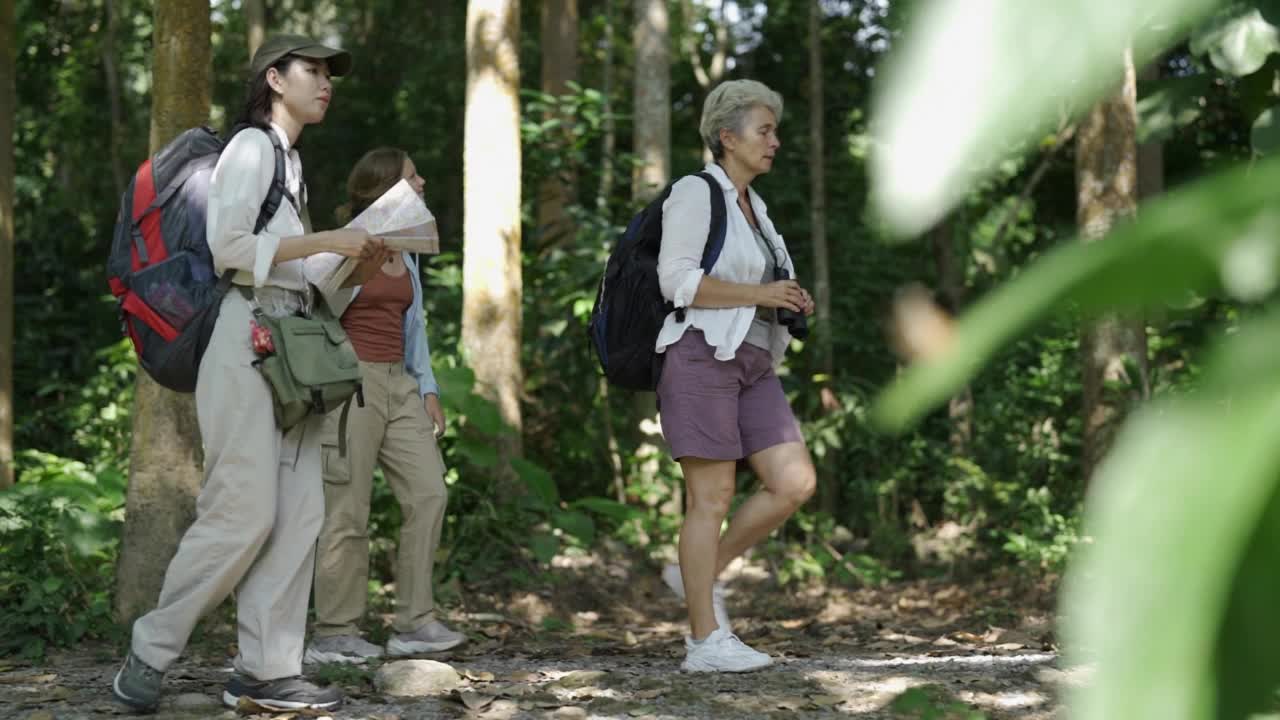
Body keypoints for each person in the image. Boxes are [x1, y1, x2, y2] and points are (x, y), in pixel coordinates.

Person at [111, 35, 385, 713]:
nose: (326, 83)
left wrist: (356, 263)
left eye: (330, 74)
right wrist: (327, 239)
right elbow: (229, 246)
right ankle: (149, 652)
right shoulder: (252, 147)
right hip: (243, 340)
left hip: (293, 344)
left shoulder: (291, 165)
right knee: (243, 509)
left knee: (299, 514)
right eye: (313, 71)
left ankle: (266, 670)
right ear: (274, 78)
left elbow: (296, 272)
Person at [654, 79, 817, 673]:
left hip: (753, 360)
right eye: (764, 130)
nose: (774, 142)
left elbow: (757, 287)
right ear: (727, 136)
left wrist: (787, 300)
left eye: (775, 130)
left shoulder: (754, 206)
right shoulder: (697, 193)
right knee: (711, 497)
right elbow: (676, 281)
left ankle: (693, 574)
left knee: (794, 482)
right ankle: (704, 642)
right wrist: (760, 291)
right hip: (700, 354)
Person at [301, 148, 465, 664]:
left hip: (399, 384)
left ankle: (415, 623)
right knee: (348, 510)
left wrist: (428, 388)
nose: (423, 182)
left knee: (429, 492)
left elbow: (413, 326)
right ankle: (335, 631)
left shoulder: (408, 251)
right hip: (352, 384)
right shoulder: (346, 245)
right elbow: (316, 309)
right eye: (413, 176)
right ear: (388, 189)